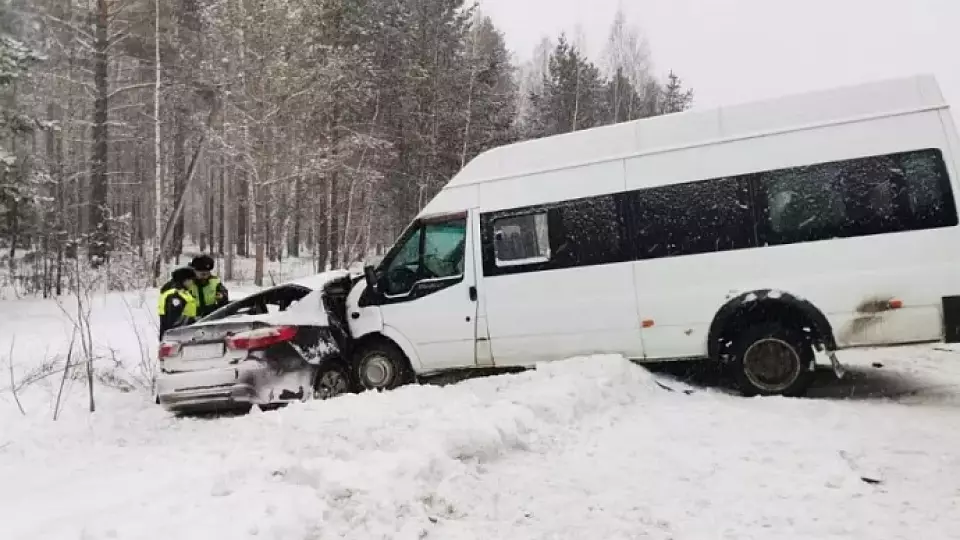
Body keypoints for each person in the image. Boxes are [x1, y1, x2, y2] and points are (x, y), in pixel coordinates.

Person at [161, 254, 229, 318]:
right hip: (190, 318)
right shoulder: (185, 281)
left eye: (207, 273)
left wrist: (222, 297)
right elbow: (166, 291)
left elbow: (224, 294)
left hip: (210, 316)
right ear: (193, 270)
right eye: (202, 273)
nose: (205, 276)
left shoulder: (214, 281)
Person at [158, 267, 199, 339]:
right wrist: (192, 322)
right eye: (191, 280)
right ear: (184, 280)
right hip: (176, 337)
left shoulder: (183, 293)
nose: (192, 282)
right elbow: (173, 321)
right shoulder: (174, 295)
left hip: (184, 334)